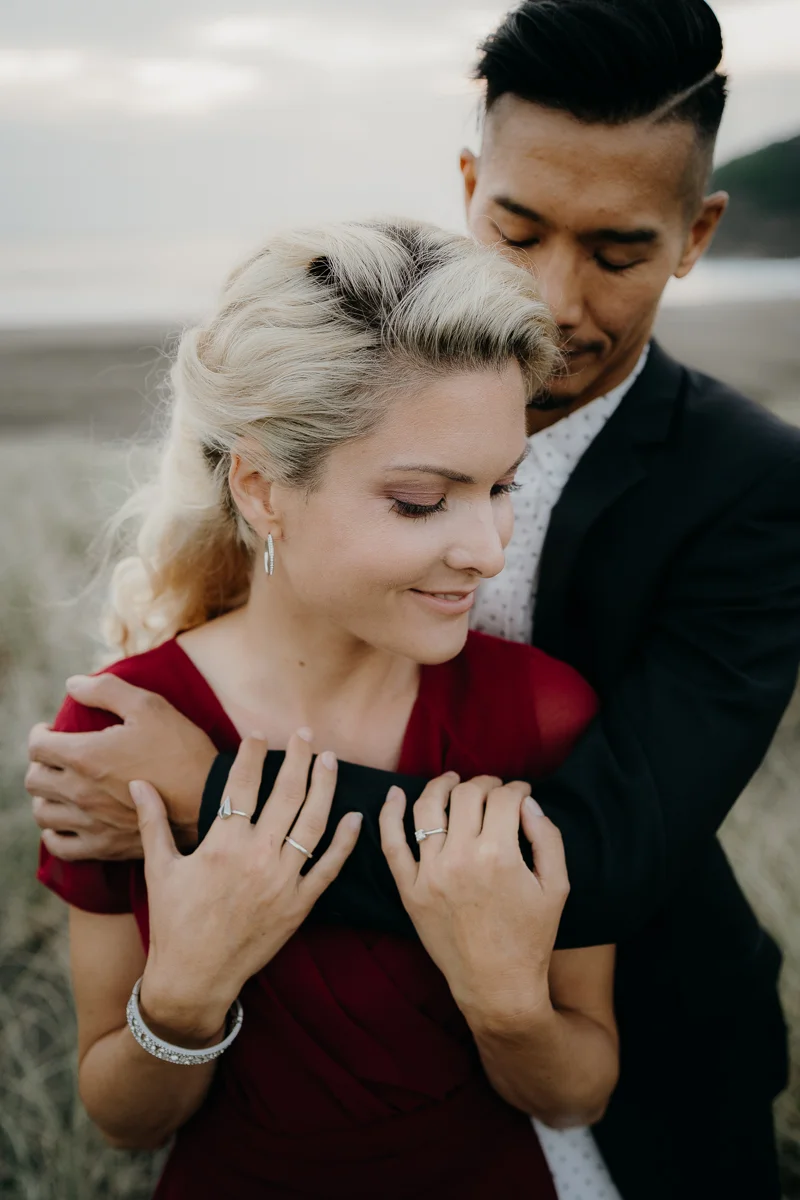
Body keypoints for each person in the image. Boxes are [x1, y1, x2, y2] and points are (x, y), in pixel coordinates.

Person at [27, 3, 800, 1198]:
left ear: (695, 233)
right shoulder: (360, 408)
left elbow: (602, 850)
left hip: (636, 1033)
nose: (552, 297)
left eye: (615, 250)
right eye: (516, 228)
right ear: (466, 183)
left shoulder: (751, 485)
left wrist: (217, 794)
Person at [37, 219, 621, 1199]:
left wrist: (503, 1003)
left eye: (500, 486)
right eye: (419, 501)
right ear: (263, 489)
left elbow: (574, 1096)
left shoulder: (538, 713)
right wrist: (183, 996)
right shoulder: (119, 737)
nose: (486, 547)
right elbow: (122, 1122)